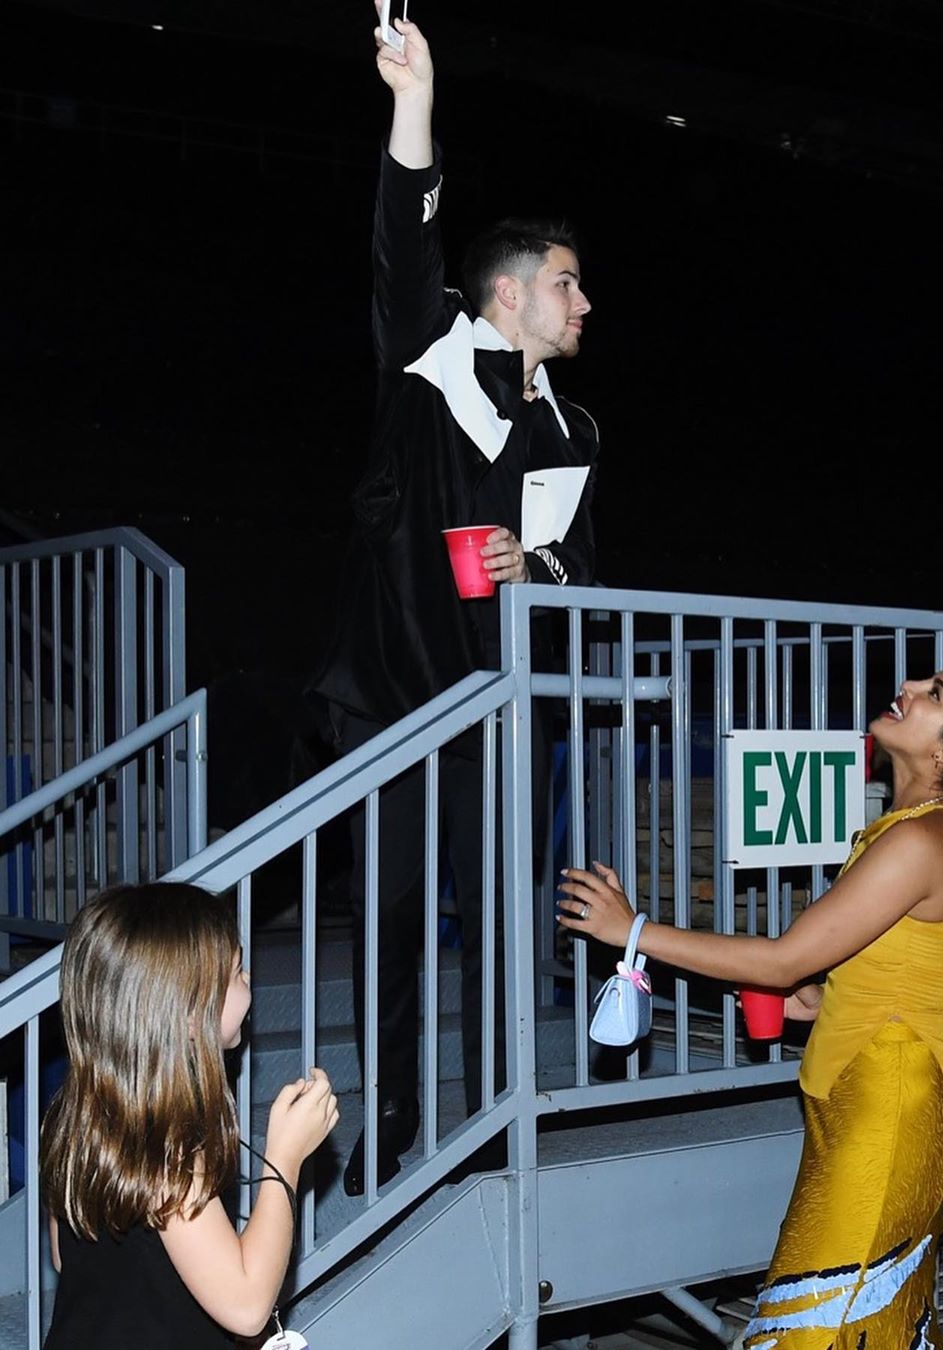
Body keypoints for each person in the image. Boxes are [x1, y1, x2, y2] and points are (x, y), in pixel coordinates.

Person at [307, 8, 599, 1195]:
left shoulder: (576, 428)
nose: (585, 307)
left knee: (501, 939)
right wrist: (413, 104)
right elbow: (398, 249)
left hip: (500, 725)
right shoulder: (430, 362)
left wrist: (548, 571)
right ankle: (394, 1113)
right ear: (510, 295)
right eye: (569, 287)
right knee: (388, 936)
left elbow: (592, 567)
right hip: (393, 713)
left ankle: (486, 1130)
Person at [557, 660, 943, 1347]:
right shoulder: (914, 830)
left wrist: (632, 930)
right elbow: (895, 976)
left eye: (934, 694)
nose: (906, 687)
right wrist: (817, 1003)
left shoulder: (924, 840)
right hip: (864, 1113)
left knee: (808, 1333)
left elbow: (787, 955)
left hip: (888, 1123)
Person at [41, 882, 339, 1348]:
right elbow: (246, 1306)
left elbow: (66, 1257)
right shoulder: (170, 1150)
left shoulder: (71, 1117)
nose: (249, 981)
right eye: (238, 971)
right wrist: (285, 1156)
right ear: (188, 1010)